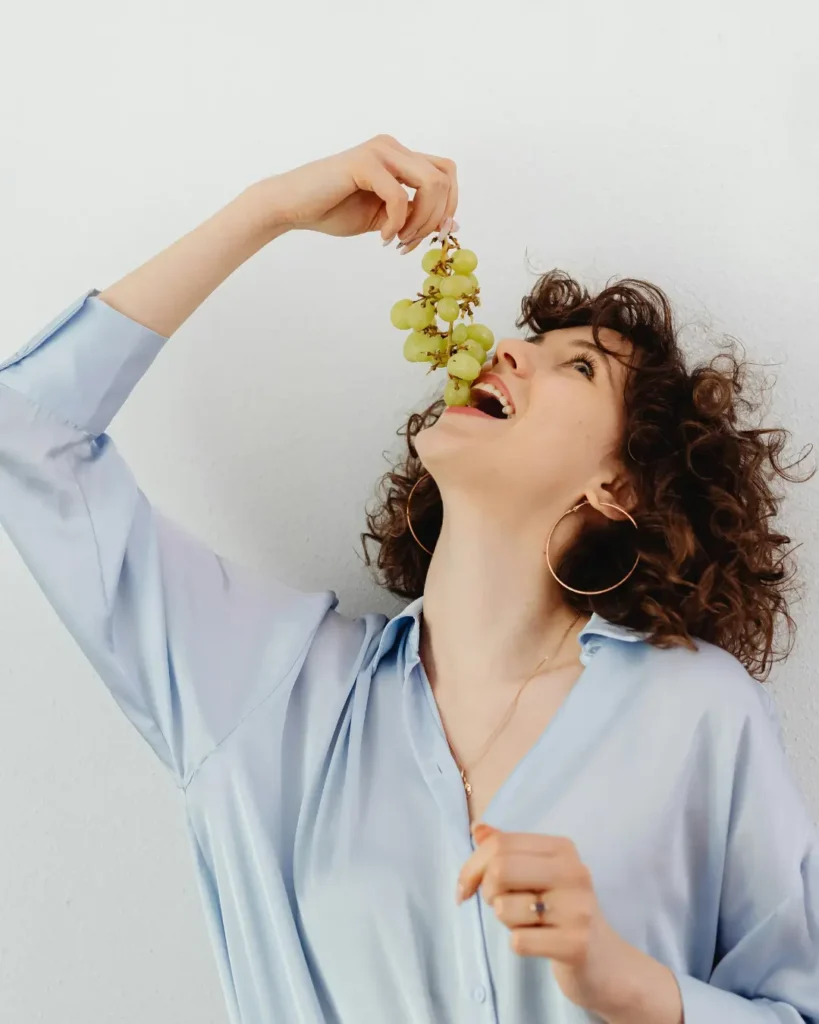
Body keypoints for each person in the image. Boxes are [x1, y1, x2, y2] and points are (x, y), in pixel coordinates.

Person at [1, 134, 817, 1024]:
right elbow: (26, 434)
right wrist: (267, 209)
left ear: (615, 487)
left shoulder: (696, 708)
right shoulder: (266, 690)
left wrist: (625, 984)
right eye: (528, 338)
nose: (508, 349)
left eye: (576, 365)